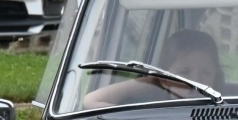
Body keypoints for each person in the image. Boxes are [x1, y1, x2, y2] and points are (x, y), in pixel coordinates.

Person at [83, 28, 223, 107]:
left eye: (206, 72)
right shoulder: (152, 108)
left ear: (216, 76)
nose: (196, 81)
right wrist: (151, 82)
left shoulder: (223, 107)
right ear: (165, 76)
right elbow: (91, 101)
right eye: (184, 72)